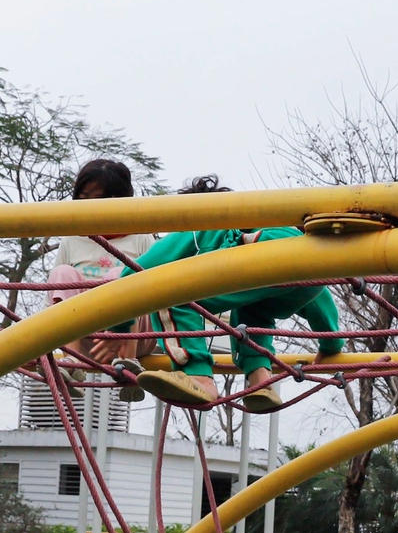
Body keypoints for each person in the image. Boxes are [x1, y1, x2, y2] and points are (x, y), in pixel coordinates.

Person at [99, 175, 345, 413]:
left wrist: (119, 330)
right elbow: (319, 296)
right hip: (309, 263)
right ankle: (261, 380)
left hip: (260, 249)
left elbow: (135, 276)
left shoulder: (197, 226)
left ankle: (198, 375)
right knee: (252, 316)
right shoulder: (284, 232)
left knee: (168, 293)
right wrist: (331, 343)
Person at [47, 158, 158, 371]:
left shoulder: (140, 239)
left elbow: (159, 292)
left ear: (117, 200)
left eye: (96, 199)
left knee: (120, 274)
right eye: (82, 198)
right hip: (86, 335)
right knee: (63, 272)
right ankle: (71, 359)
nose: (88, 205)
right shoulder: (72, 240)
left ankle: (128, 361)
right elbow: (54, 295)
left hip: (136, 333)